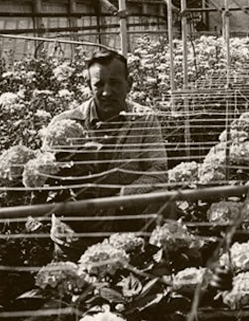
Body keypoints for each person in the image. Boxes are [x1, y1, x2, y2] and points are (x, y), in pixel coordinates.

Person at [49, 48, 169, 257]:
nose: (106, 92)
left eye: (114, 83)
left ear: (129, 84)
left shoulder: (144, 119)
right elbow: (47, 179)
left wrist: (121, 199)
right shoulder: (65, 124)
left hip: (128, 234)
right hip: (74, 240)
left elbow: (158, 169)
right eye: (99, 84)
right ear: (89, 86)